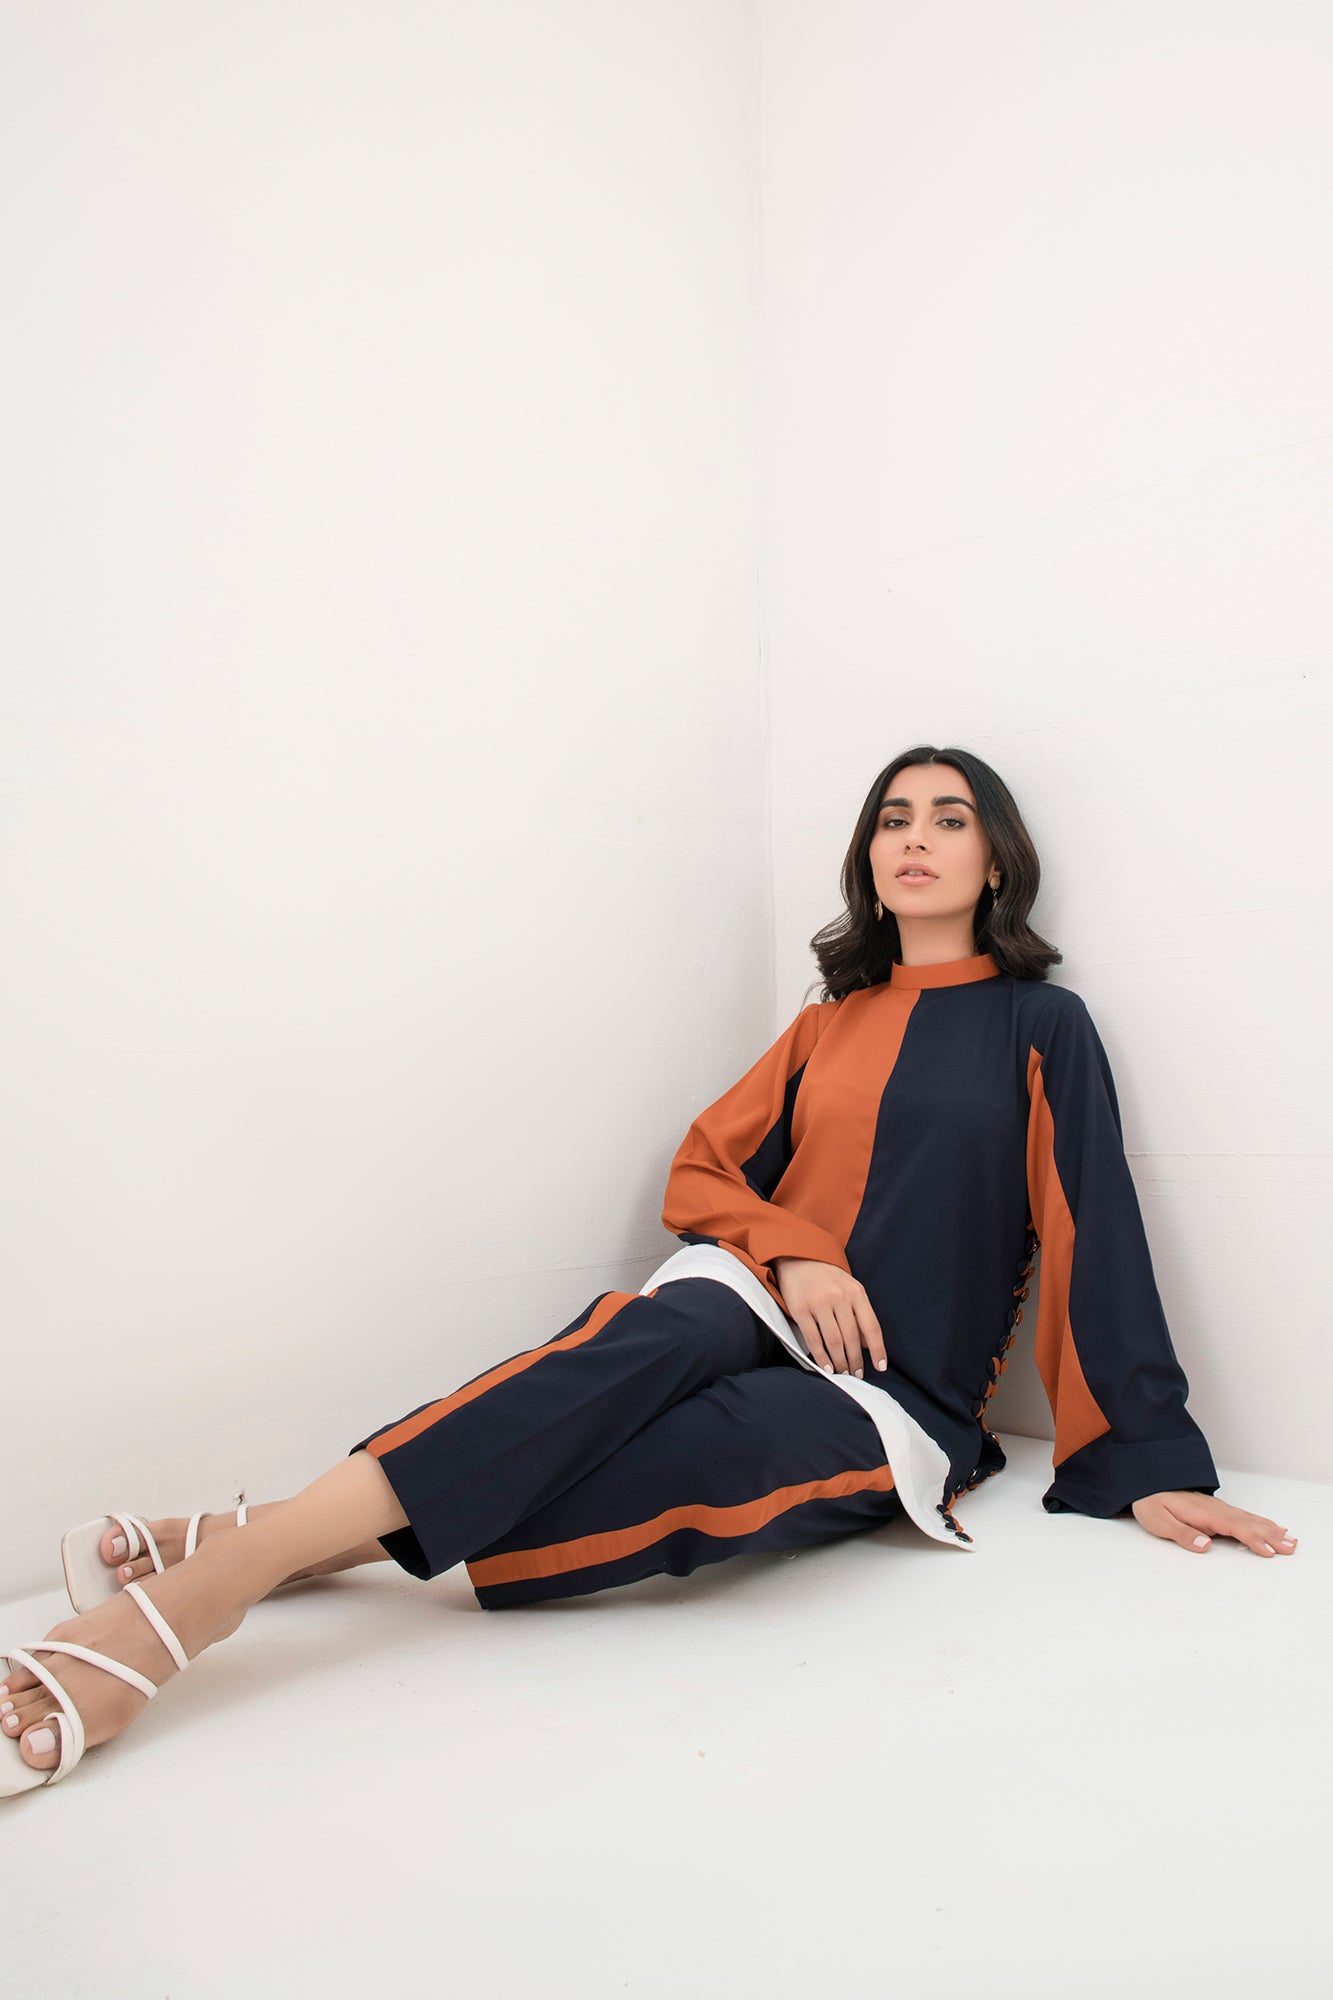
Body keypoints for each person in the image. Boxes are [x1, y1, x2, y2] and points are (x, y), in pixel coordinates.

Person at [1, 745, 1299, 1795]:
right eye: (891, 818)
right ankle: (198, 1604)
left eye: (949, 819)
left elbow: (1091, 1223)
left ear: (996, 858)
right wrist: (796, 1253)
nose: (914, 838)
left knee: (679, 1469)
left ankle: (259, 1537)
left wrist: (1145, 1458)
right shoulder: (824, 1027)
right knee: (636, 1341)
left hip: (897, 1396)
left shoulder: (1040, 1023)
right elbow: (702, 1173)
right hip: (755, 1301)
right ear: (866, 856)